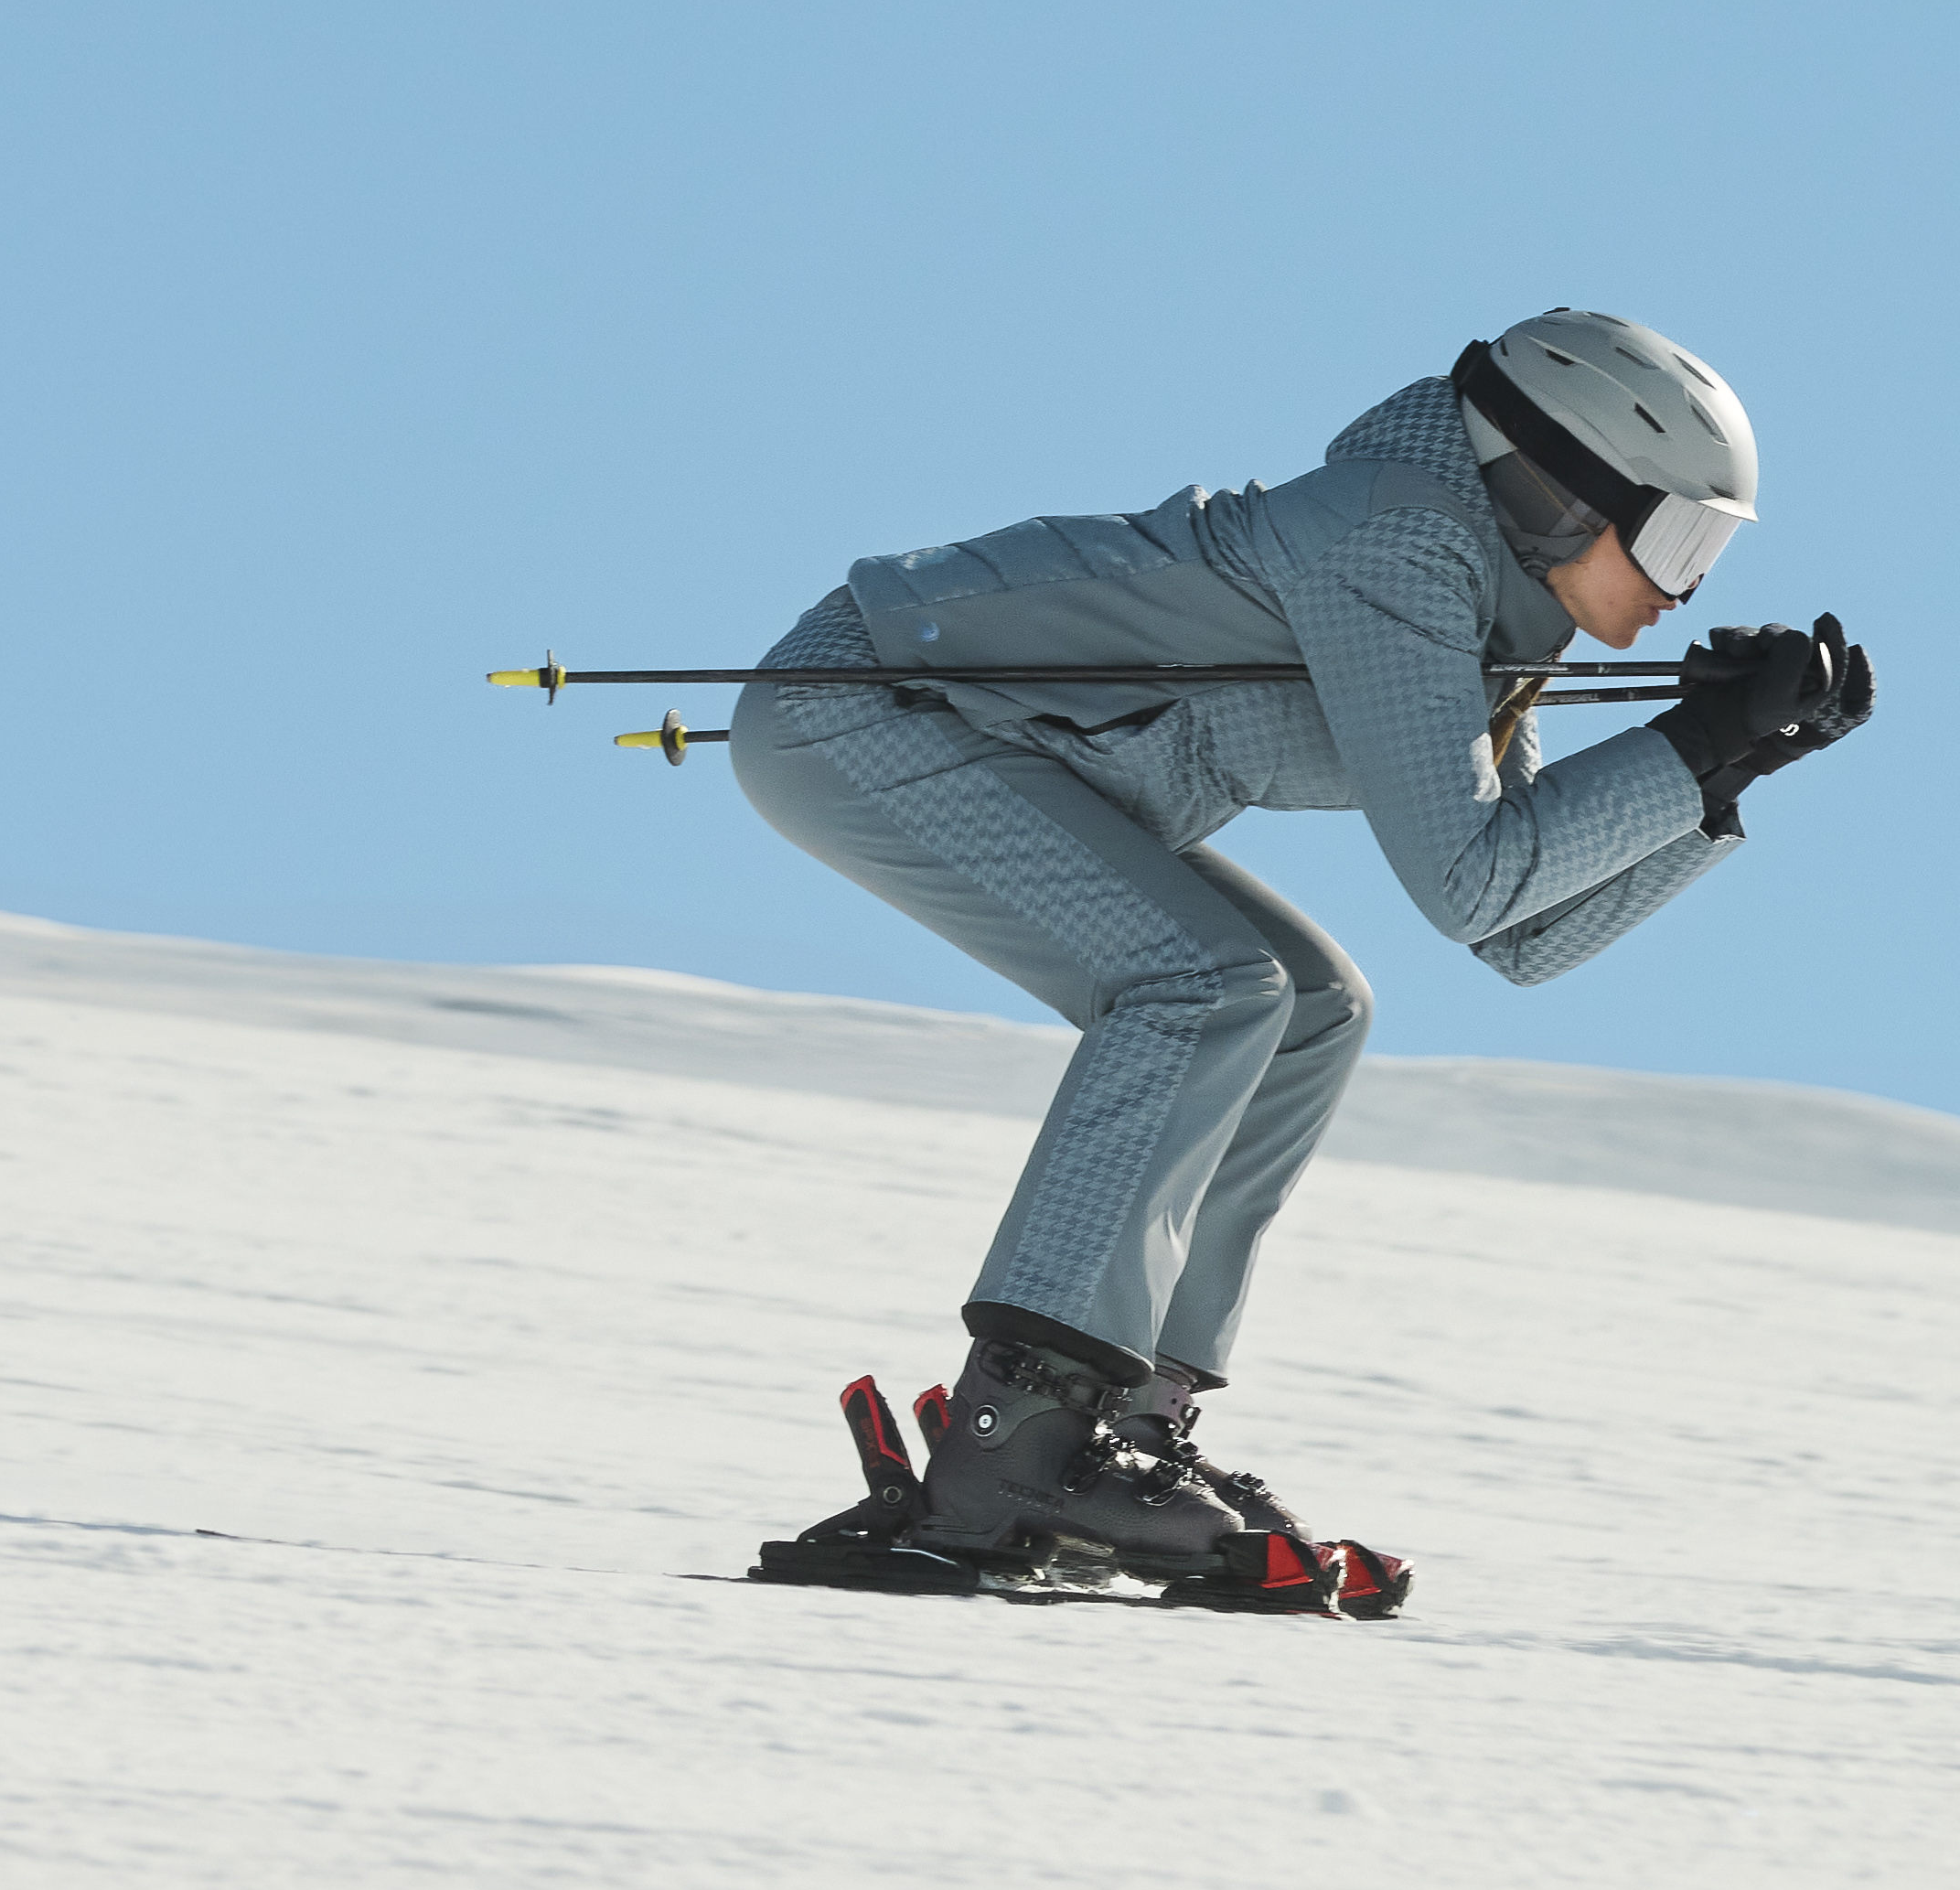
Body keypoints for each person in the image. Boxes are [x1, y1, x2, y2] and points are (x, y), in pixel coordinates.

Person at [729, 309, 1870, 1606]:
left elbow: (1524, 932)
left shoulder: (1505, 607)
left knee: (1315, 1006)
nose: (1687, 586)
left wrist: (1726, 766)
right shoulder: (1401, 544)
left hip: (989, 740)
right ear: (1559, 494)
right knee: (1204, 984)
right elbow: (1475, 878)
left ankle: (1125, 1424)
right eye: (1677, 535)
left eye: (1714, 549)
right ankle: (1019, 1439)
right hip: (869, 706)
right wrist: (1686, 749)